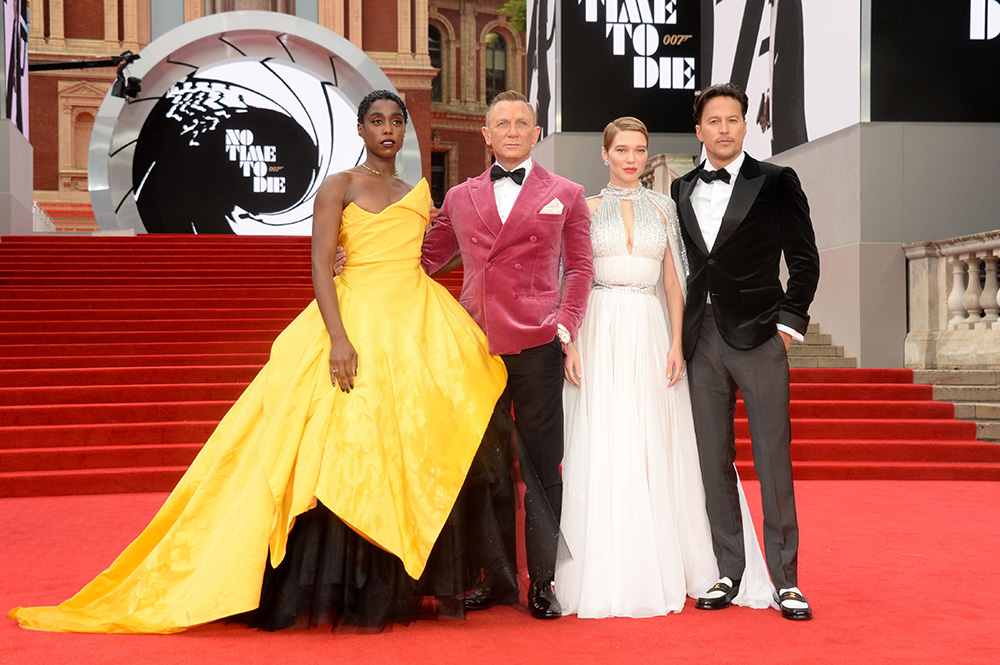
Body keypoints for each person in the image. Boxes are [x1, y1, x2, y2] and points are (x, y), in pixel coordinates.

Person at [7, 90, 510, 633]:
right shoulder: (337, 185)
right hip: (354, 322)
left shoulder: (417, 192)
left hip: (416, 327)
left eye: (395, 121)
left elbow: (434, 251)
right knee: (337, 447)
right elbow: (320, 268)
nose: (386, 130)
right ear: (360, 129)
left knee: (407, 446)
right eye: (375, 121)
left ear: (405, 130)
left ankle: (396, 580)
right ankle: (329, 582)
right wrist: (338, 338)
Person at [554, 117, 774, 618]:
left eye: (639, 150)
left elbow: (676, 283)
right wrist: (572, 344)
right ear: (604, 155)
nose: (631, 159)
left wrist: (677, 343)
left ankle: (678, 560)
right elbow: (574, 279)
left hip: (652, 331)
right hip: (599, 327)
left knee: (656, 437)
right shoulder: (583, 208)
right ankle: (603, 565)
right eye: (622, 150)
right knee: (606, 438)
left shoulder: (665, 207)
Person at [420, 90, 594, 619]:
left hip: (538, 346)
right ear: (486, 134)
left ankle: (542, 582)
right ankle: (494, 580)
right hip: (475, 350)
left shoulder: (567, 192)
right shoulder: (458, 197)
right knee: (486, 469)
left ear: (536, 133)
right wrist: (358, 256)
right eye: (503, 122)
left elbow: (581, 268)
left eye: (523, 122)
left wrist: (565, 324)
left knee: (542, 467)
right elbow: (424, 262)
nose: (514, 129)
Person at [670, 83, 820, 620]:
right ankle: (728, 571)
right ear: (699, 129)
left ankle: (787, 580)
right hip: (701, 339)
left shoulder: (777, 182)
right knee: (712, 460)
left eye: (734, 119)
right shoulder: (680, 187)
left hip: (760, 336)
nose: (725, 128)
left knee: (773, 459)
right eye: (715, 121)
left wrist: (786, 326)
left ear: (744, 126)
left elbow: (805, 260)